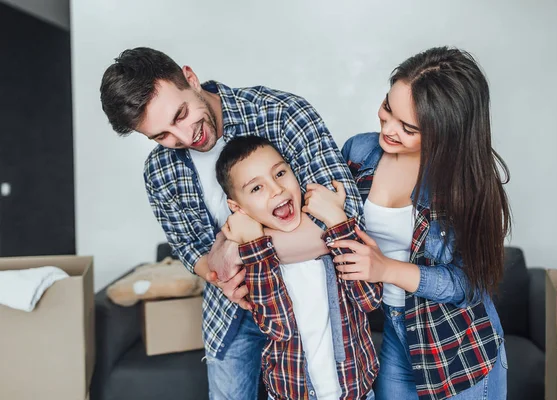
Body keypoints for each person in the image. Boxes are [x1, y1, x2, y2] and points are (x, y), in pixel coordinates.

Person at [99, 47, 364, 399]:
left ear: (190, 78)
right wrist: (216, 270)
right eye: (161, 136)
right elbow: (193, 253)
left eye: (180, 115)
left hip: (311, 299)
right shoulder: (159, 171)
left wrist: (232, 251)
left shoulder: (282, 114)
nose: (181, 139)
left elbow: (343, 219)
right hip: (233, 310)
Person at [320, 46, 511, 399]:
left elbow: (467, 284)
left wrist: (385, 268)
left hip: (459, 348)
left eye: (408, 128)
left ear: (445, 132)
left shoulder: (466, 185)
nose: (388, 130)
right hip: (397, 332)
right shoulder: (358, 153)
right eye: (387, 109)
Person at [214, 135, 381, 400]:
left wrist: (337, 221)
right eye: (256, 188)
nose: (276, 189)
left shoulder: (329, 239)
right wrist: (254, 245)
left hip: (355, 392)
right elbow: (278, 326)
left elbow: (369, 299)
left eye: (280, 173)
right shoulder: (258, 263)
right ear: (237, 208)